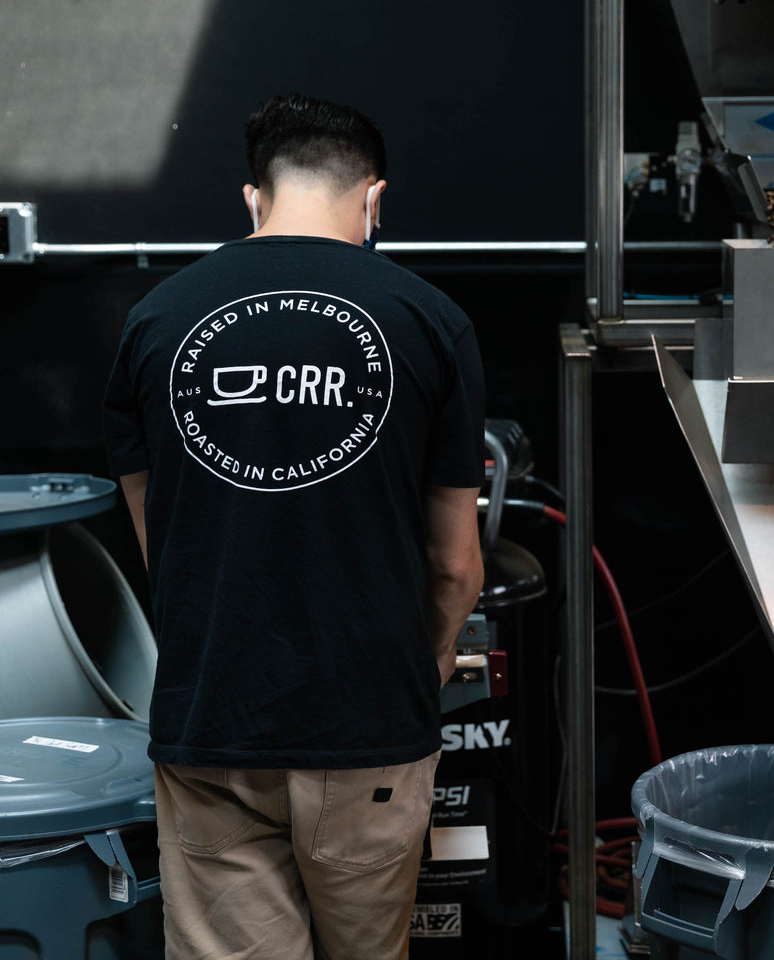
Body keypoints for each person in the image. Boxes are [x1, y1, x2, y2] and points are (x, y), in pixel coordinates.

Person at [103, 94, 486, 960]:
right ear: (374, 199)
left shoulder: (158, 320)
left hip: (213, 718)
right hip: (369, 724)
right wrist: (418, 662)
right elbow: (455, 560)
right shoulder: (429, 320)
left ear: (253, 198)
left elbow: (156, 536)